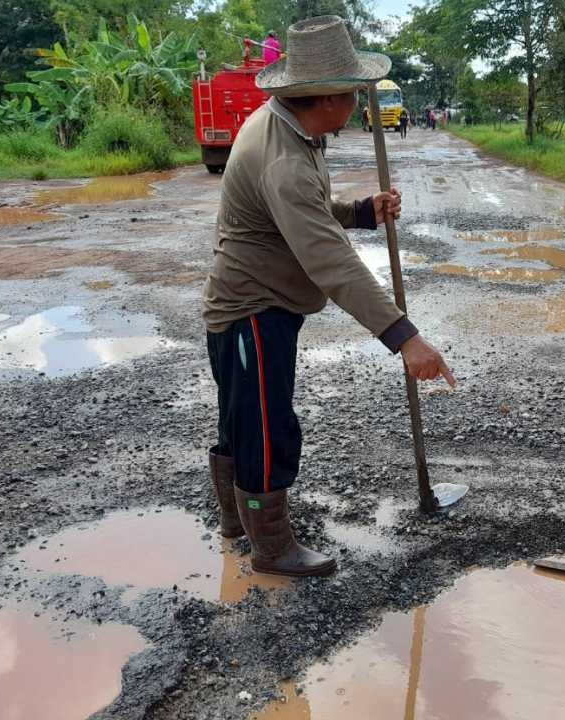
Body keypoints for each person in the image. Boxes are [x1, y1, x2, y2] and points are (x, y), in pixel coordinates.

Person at [205, 16, 455, 577]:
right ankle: (271, 550)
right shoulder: (285, 157)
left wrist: (362, 210)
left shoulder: (290, 130)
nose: (359, 105)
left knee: (242, 419)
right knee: (266, 428)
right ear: (328, 100)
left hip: (253, 302)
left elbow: (312, 211)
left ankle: (236, 523)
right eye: (354, 94)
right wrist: (404, 337)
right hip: (252, 308)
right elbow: (331, 263)